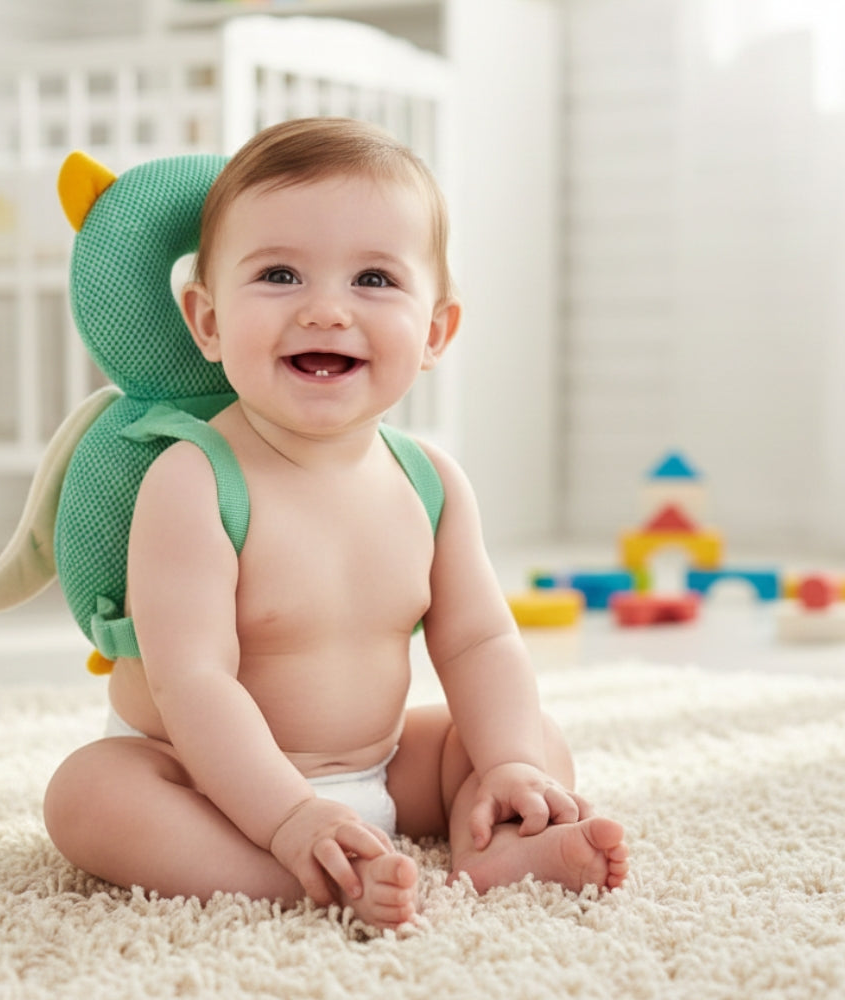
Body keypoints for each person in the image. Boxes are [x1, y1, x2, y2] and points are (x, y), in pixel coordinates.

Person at [43, 117, 628, 930]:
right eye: (280, 275)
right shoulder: (192, 480)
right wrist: (289, 818)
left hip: (383, 769)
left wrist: (506, 763)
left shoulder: (432, 485)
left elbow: (478, 643)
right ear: (206, 322)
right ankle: (291, 879)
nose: (325, 310)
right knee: (90, 796)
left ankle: (491, 841)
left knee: (530, 741)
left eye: (374, 281)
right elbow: (193, 682)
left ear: (434, 332)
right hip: (205, 778)